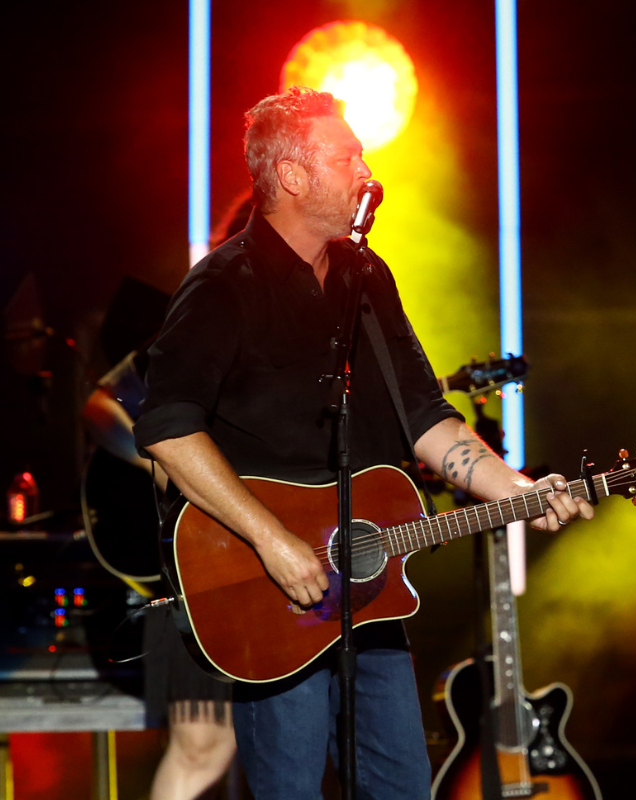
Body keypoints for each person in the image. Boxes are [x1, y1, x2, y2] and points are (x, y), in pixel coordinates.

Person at [131, 86, 593, 800]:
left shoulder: (366, 277)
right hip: (267, 591)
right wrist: (273, 542)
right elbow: (167, 430)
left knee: (402, 788)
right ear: (292, 176)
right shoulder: (223, 283)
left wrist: (519, 490)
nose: (365, 168)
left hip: (368, 597)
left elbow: (425, 415)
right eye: (345, 155)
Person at [81, 196, 254, 800]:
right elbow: (102, 405)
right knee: (203, 743)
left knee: (258, 738)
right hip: (188, 563)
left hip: (256, 561)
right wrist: (161, 458)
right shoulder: (199, 321)